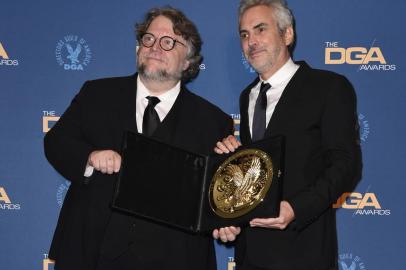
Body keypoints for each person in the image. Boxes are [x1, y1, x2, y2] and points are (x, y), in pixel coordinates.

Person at [44, 6, 233, 270]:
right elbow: (56, 142)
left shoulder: (214, 122)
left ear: (188, 61)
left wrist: (227, 219)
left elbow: (217, 199)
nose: (155, 47)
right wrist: (90, 157)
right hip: (91, 252)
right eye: (148, 38)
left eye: (169, 42)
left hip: (175, 258)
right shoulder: (96, 94)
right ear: (138, 47)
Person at [212, 0, 362, 269]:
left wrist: (295, 208)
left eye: (260, 30)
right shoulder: (248, 96)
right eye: (244, 35)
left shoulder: (328, 87)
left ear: (287, 34)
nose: (251, 41)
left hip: (304, 251)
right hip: (250, 254)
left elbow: (346, 164)